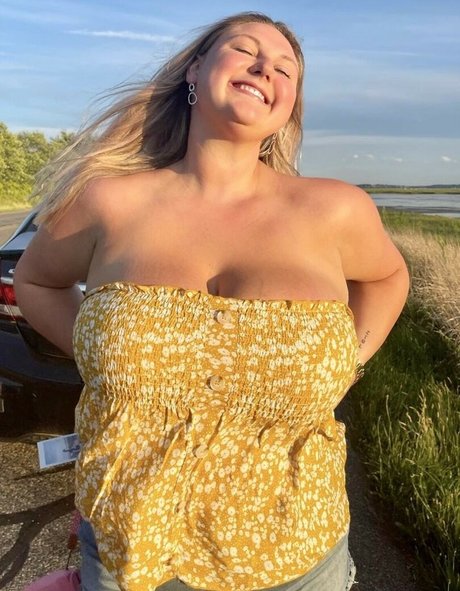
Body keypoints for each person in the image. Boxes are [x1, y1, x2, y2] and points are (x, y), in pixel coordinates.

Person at [14, 11, 410, 591]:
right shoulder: (106, 202)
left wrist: (349, 360)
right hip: (132, 550)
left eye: (285, 69)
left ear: (288, 107)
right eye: (245, 50)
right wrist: (107, 357)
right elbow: (35, 281)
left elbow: (389, 276)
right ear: (195, 70)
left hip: (299, 552)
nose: (265, 68)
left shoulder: (336, 209)